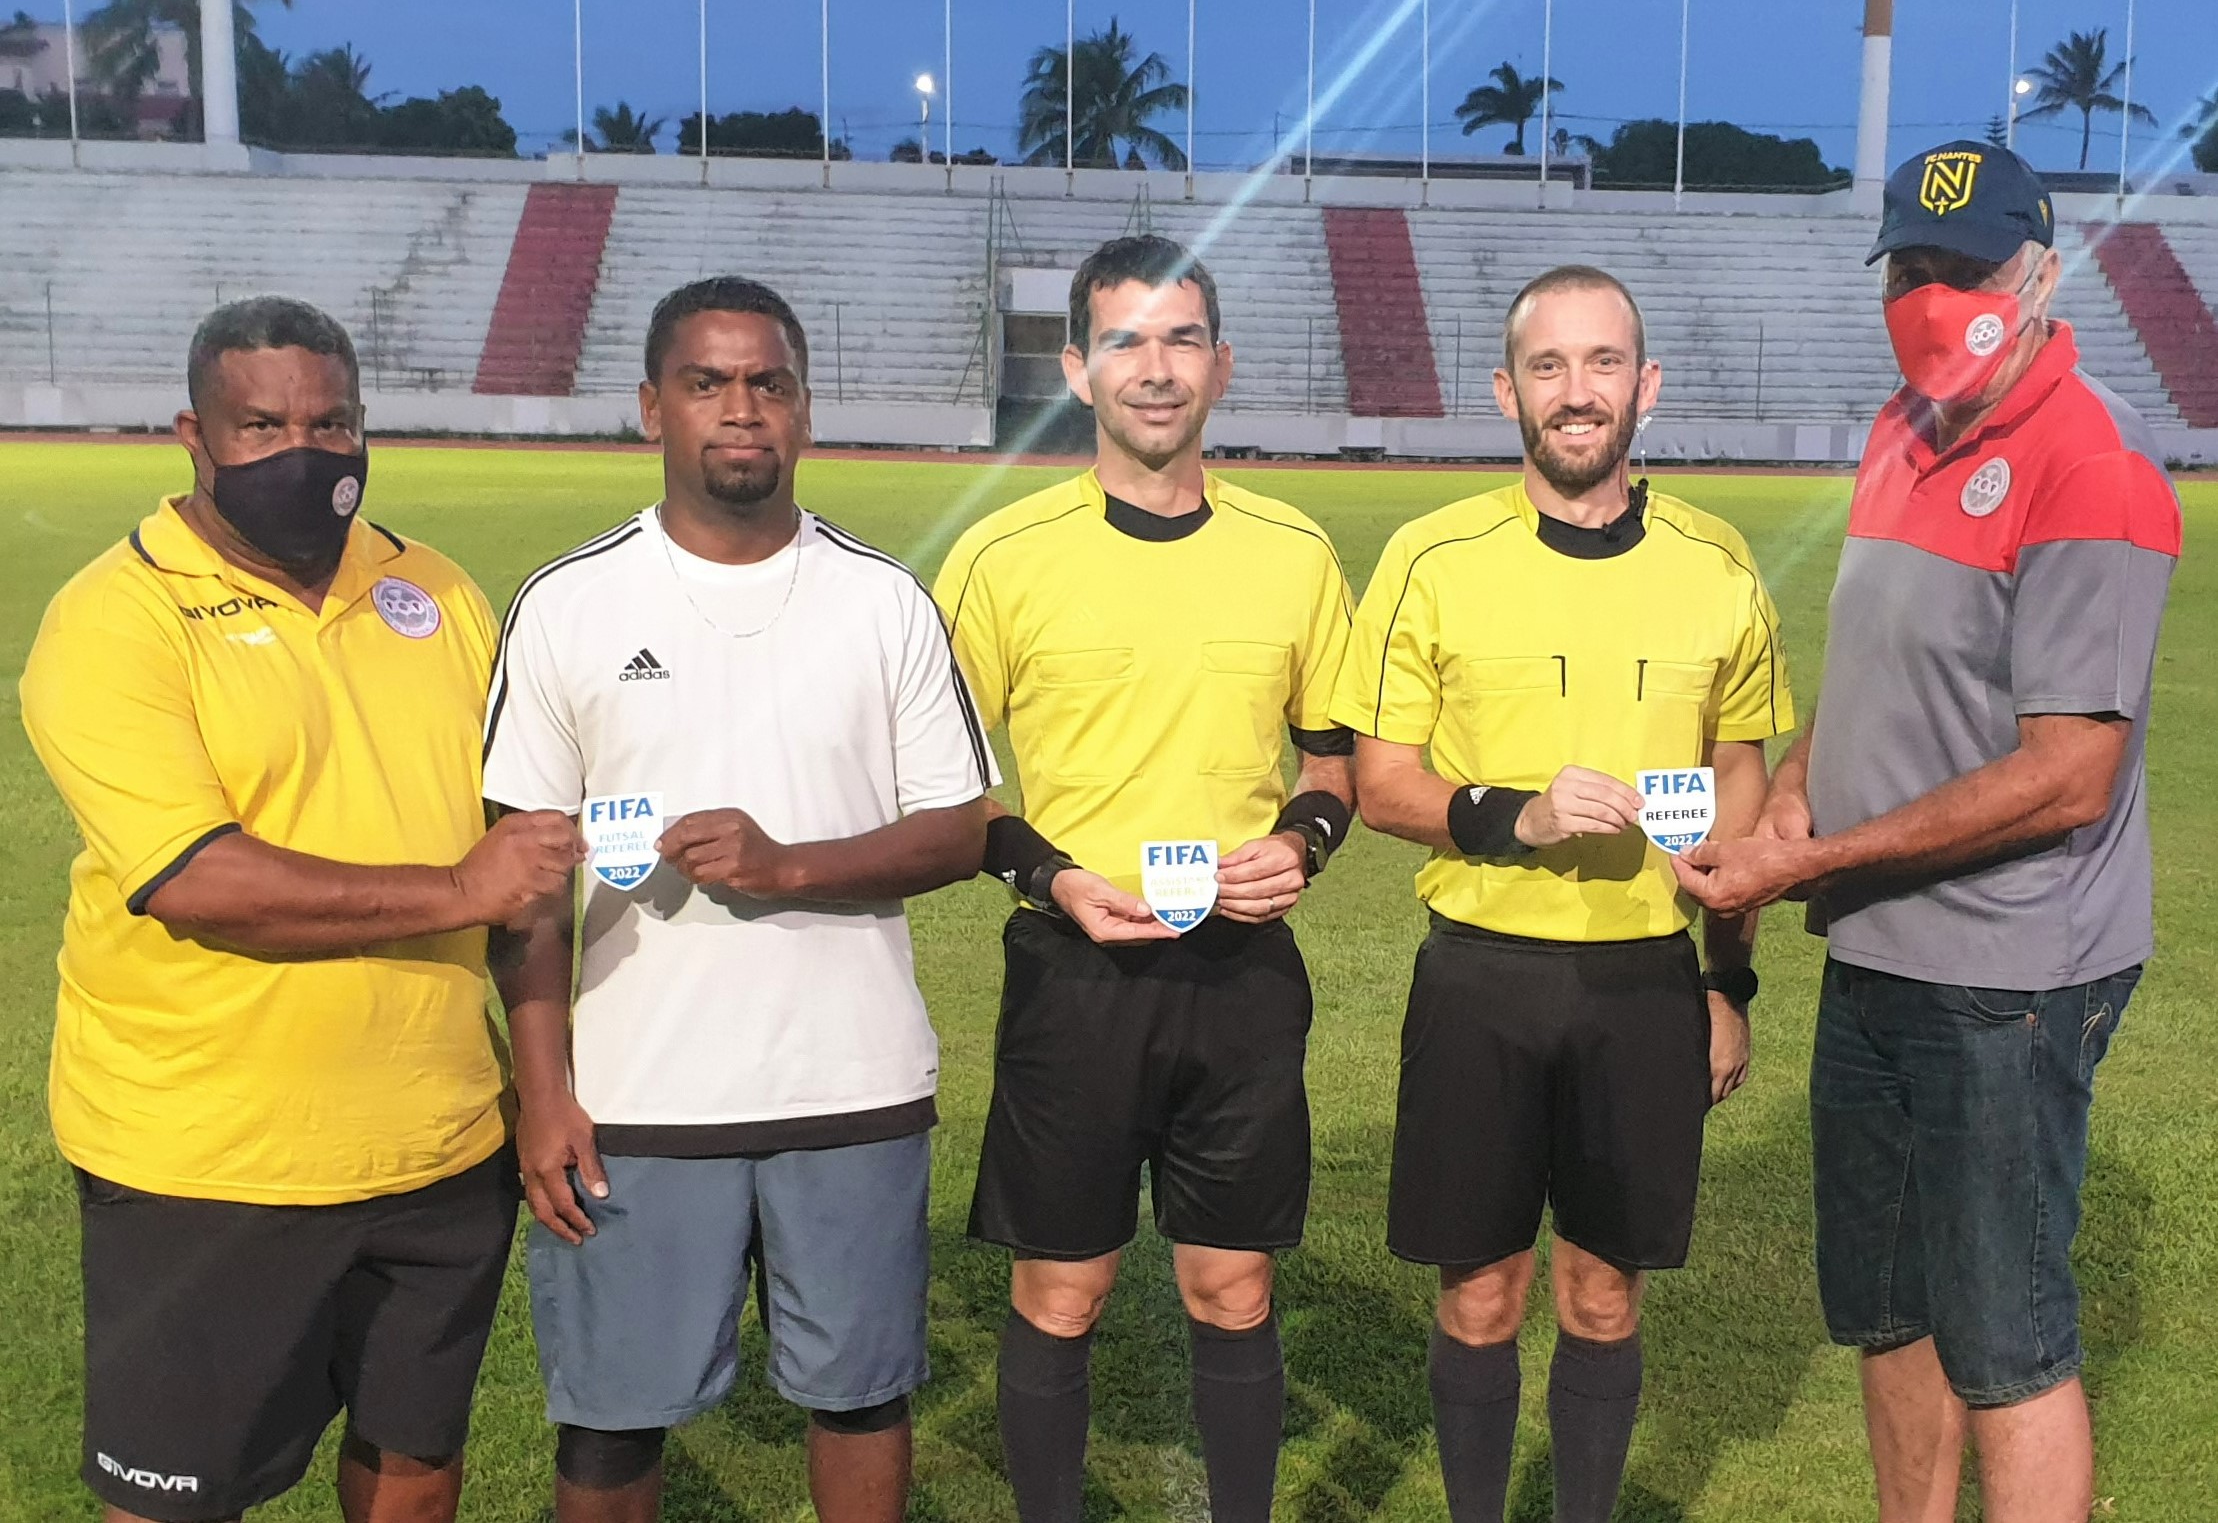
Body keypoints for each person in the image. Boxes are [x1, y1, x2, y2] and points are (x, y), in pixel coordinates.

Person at [1676, 142, 2181, 1523]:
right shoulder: (1899, 426)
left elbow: (2068, 776)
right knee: (1890, 1316)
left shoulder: (2093, 467)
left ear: (2040, 278)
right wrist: (1795, 787)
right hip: (1879, 953)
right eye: (1909, 267)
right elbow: (1873, 671)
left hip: (2008, 977)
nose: (1933, 297)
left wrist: (1809, 861)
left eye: (1965, 269)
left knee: (2006, 1343)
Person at [17, 296, 582, 1523]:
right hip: (207, 1159)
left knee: (415, 1467)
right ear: (195, 436)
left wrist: (544, 1092)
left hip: (437, 1142)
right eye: (263, 426)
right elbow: (198, 879)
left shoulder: (435, 591)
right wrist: (458, 888)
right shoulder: (117, 616)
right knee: (177, 1500)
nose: (305, 450)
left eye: (331, 421)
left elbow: (527, 874)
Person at [482, 276, 994, 1523]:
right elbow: (521, 882)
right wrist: (543, 1090)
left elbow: (960, 827)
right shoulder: (568, 603)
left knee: (861, 1397)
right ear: (651, 405)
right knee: (612, 1417)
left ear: (803, 410)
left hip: (851, 1083)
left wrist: (786, 866)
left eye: (768, 382)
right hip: (635, 1097)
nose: (741, 407)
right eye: (706, 382)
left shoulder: (883, 600)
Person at [1332, 266, 1793, 1523]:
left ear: (1646, 386)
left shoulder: (1716, 560)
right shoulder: (1431, 557)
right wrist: (1516, 815)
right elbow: (1381, 780)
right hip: (1480, 972)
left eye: (1602, 363)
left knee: (1603, 1293)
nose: (1575, 391)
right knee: (1480, 1293)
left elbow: (1739, 771)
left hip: (1644, 981)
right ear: (1506, 391)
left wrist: (1726, 979)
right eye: (1548, 365)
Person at [931, 235, 1355, 1523]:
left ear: (1221, 365)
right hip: (1075, 972)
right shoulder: (1002, 557)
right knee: (1062, 1291)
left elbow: (1333, 764)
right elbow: (943, 785)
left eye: (1181, 339)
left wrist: (1298, 844)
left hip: (1239, 975)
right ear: (1077, 367)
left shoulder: (1294, 551)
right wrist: (1051, 878)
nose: (1155, 368)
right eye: (1124, 340)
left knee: (1232, 1285)